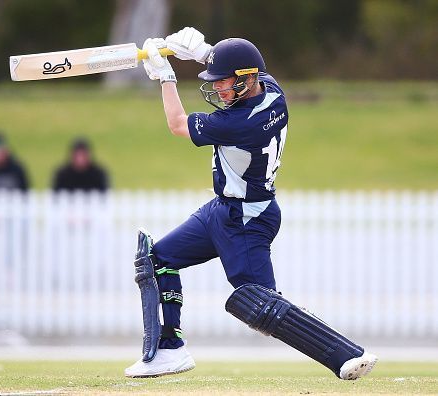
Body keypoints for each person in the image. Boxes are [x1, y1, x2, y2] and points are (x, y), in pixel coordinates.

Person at [125, 27, 377, 380]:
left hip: (247, 219)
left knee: (261, 306)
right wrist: (204, 53)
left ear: (246, 80)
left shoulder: (239, 122)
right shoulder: (274, 94)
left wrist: (166, 77)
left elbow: (177, 124)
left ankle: (346, 356)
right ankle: (169, 351)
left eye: (224, 82)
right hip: (221, 210)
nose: (218, 88)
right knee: (157, 260)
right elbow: (242, 67)